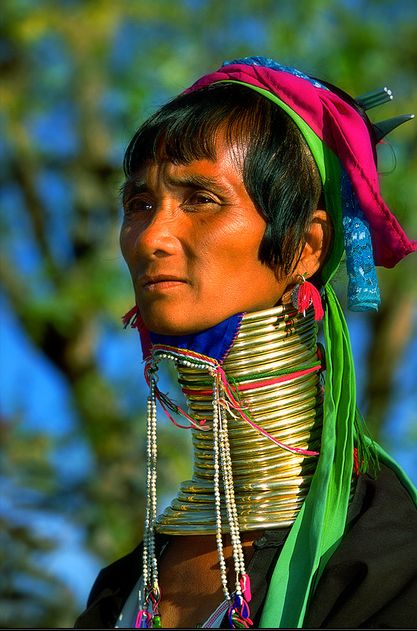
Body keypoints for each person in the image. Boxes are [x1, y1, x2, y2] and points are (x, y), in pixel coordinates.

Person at [74, 57, 417, 629]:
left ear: (305, 246)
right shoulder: (123, 584)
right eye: (139, 205)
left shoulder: (385, 566)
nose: (152, 237)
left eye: (201, 199)